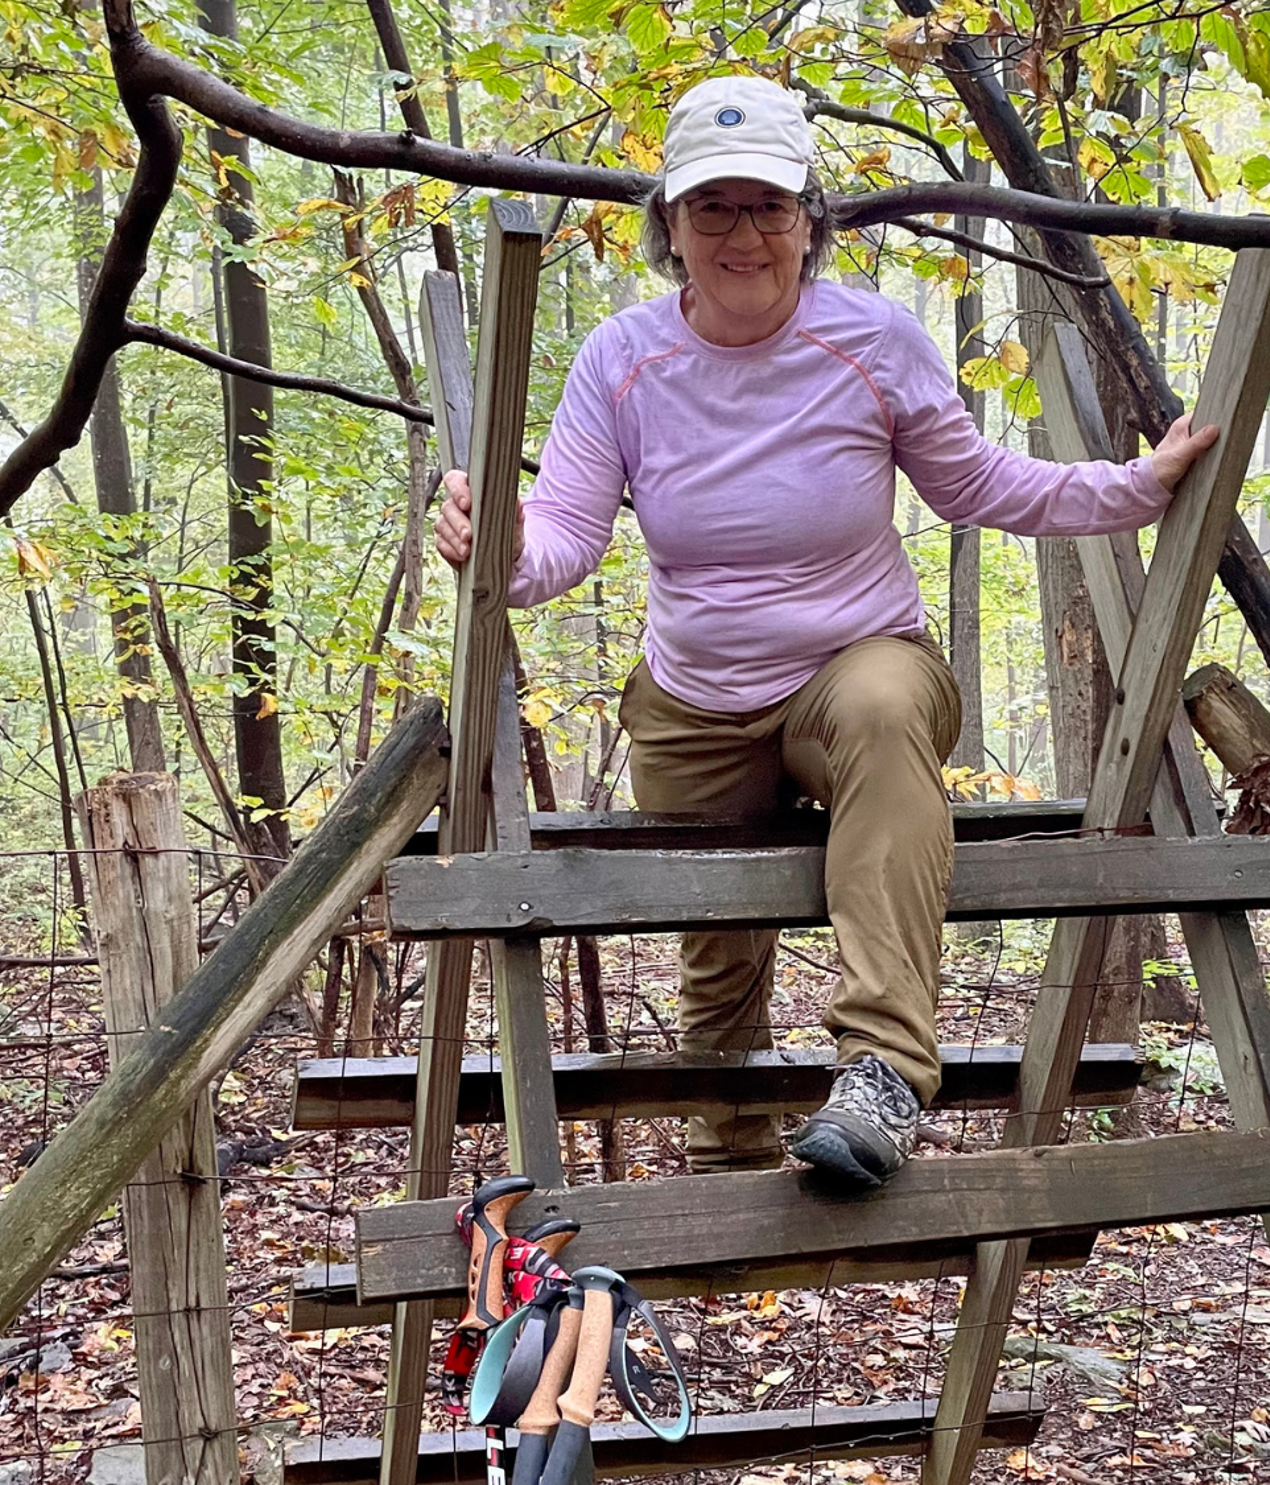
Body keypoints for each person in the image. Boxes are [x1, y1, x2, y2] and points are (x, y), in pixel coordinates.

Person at [436, 74, 1218, 1187]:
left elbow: (980, 484)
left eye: (770, 207)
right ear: (670, 226)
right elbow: (560, 538)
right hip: (696, 700)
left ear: (812, 219)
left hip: (856, 667)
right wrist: (497, 544)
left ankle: (885, 1074)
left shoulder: (874, 341)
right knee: (719, 949)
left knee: (886, 704)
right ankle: (728, 1144)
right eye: (714, 208)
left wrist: (1135, 487)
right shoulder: (622, 360)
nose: (744, 235)